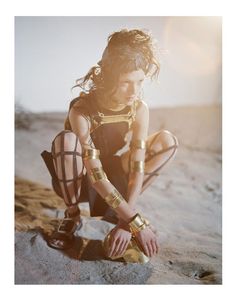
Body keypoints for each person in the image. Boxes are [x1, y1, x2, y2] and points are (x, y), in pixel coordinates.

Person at [41, 28, 178, 262]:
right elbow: (95, 174)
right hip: (78, 176)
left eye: (140, 81)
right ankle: (72, 216)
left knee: (167, 142)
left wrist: (127, 221)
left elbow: (137, 166)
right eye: (126, 82)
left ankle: (119, 212)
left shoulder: (139, 108)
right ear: (109, 77)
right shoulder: (81, 109)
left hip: (114, 173)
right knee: (67, 141)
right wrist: (138, 222)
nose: (134, 91)